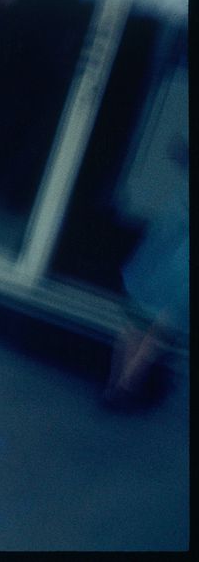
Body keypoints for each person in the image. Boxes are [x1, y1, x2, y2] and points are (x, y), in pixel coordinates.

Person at [103, 136, 189, 410]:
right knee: (159, 329)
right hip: (176, 266)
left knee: (136, 323)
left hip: (158, 260)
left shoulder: (181, 194)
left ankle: (117, 385)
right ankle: (127, 385)